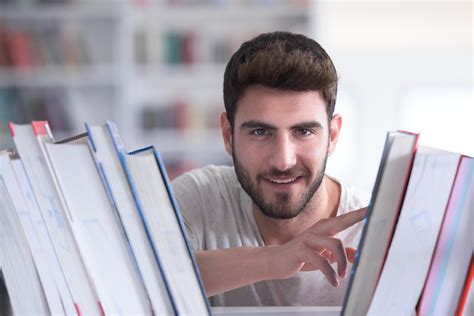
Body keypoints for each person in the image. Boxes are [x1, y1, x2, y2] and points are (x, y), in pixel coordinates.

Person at [171, 31, 368, 306]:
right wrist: (276, 259)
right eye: (261, 132)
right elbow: (139, 277)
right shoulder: (200, 199)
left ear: (332, 136)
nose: (283, 161)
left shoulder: (372, 235)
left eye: (303, 131)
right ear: (228, 135)